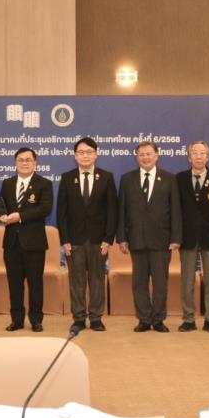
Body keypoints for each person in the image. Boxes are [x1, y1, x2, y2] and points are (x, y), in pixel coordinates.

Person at [117, 141, 182, 333]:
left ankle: (159, 319)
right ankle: (144, 319)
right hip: (136, 238)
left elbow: (176, 210)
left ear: (157, 155)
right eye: (141, 154)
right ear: (136, 157)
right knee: (139, 282)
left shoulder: (169, 179)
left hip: (162, 240)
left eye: (149, 154)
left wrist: (176, 237)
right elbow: (122, 210)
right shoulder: (127, 179)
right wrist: (122, 237)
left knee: (161, 283)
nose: (145, 157)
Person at [56, 136, 118, 333]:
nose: (85, 156)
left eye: (89, 152)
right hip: (74, 240)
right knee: (77, 281)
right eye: (81, 152)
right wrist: (64, 239)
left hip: (99, 240)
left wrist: (108, 238)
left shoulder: (106, 177)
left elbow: (112, 211)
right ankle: (79, 318)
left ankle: (96, 318)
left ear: (96, 155)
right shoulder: (67, 178)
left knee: (97, 280)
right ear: (75, 156)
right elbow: (61, 212)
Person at [173, 141, 209, 333]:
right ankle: (188, 319)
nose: (198, 156)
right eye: (194, 153)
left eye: (202, 153)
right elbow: (176, 210)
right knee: (187, 279)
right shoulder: (179, 178)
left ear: (208, 157)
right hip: (187, 237)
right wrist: (176, 235)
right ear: (189, 157)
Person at [1, 147, 52, 332]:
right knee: (14, 284)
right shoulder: (7, 183)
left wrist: (20, 216)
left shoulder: (44, 183)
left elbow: (45, 209)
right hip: (11, 243)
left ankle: (36, 320)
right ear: (15, 163)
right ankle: (17, 320)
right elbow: (1, 205)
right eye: (20, 160)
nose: (24, 163)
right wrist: (1, 215)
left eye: (28, 160)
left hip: (34, 243)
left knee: (35, 284)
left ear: (35, 163)